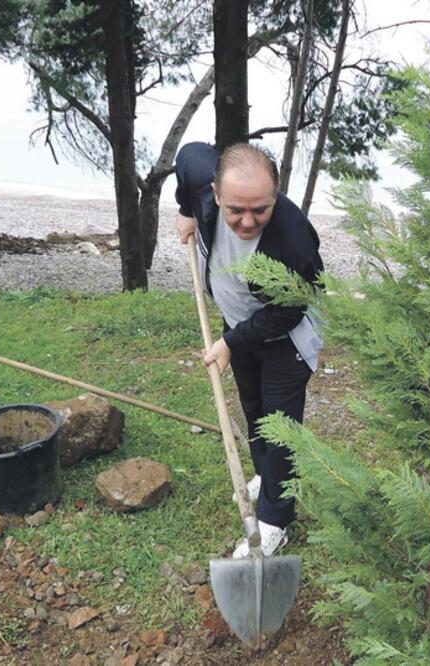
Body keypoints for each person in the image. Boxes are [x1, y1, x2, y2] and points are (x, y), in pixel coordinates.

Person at [174, 141, 323, 558]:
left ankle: (275, 519)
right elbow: (186, 157)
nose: (246, 222)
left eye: (260, 209)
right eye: (235, 209)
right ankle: (266, 476)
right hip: (237, 326)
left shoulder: (293, 241)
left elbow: (287, 313)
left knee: (279, 427)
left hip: (285, 339)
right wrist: (187, 211)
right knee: (253, 407)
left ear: (274, 196)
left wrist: (229, 342)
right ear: (216, 193)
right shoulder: (201, 177)